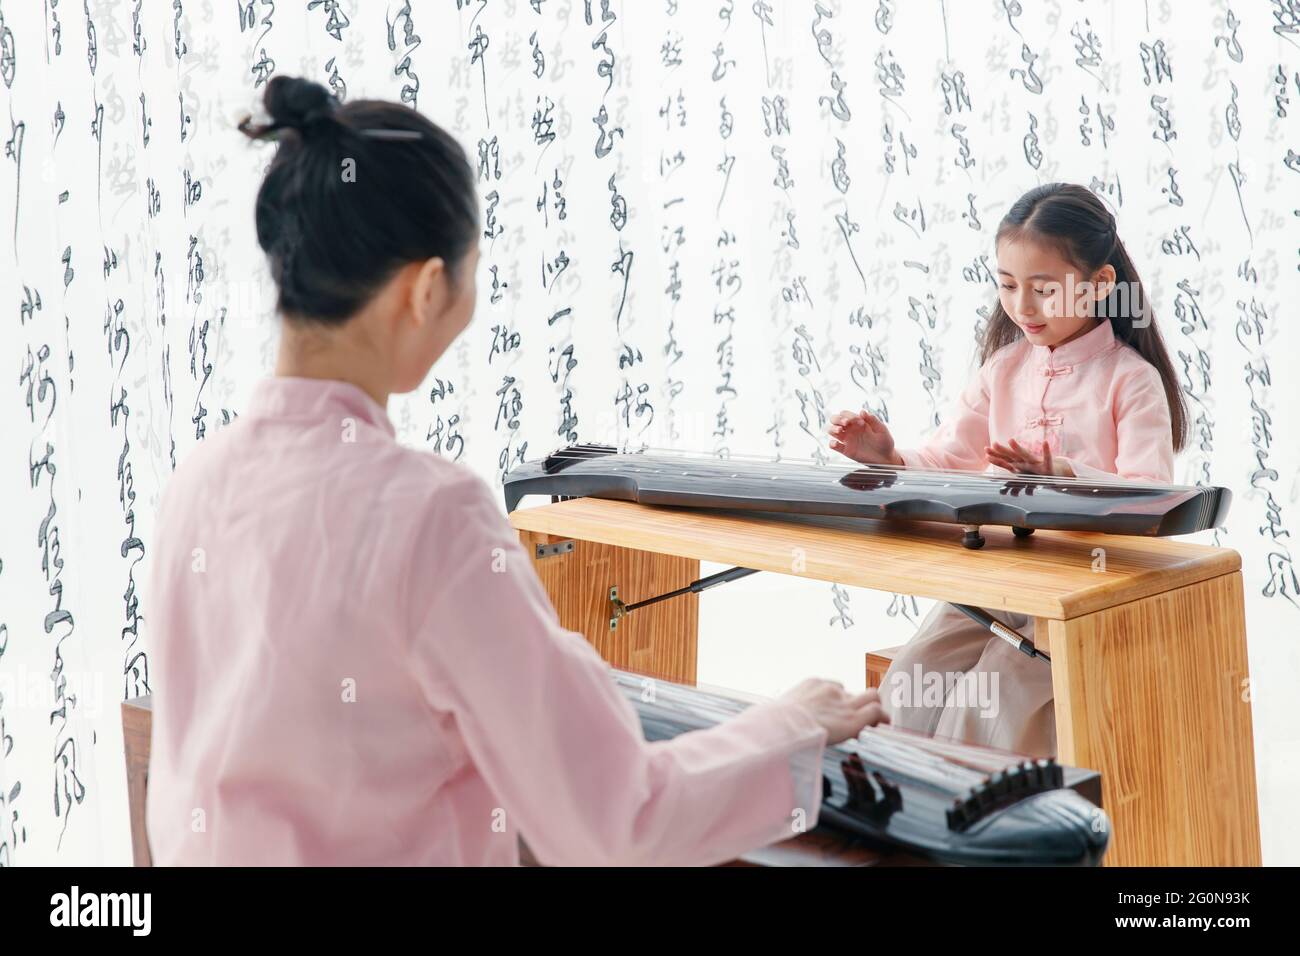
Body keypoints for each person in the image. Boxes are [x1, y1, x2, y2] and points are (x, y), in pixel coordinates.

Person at [144, 76, 885, 866]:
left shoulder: (200, 479)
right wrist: (789, 724)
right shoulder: (428, 513)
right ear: (428, 288)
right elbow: (613, 822)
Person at [828, 182, 1187, 758]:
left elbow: (1154, 496)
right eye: (1007, 284)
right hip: (993, 584)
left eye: (1044, 289)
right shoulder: (1003, 369)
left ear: (1100, 285)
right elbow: (950, 460)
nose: (1022, 307)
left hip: (1080, 593)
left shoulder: (1130, 379)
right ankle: (906, 832)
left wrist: (1067, 474)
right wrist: (889, 460)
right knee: (907, 690)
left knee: (984, 705)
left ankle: (978, 841)